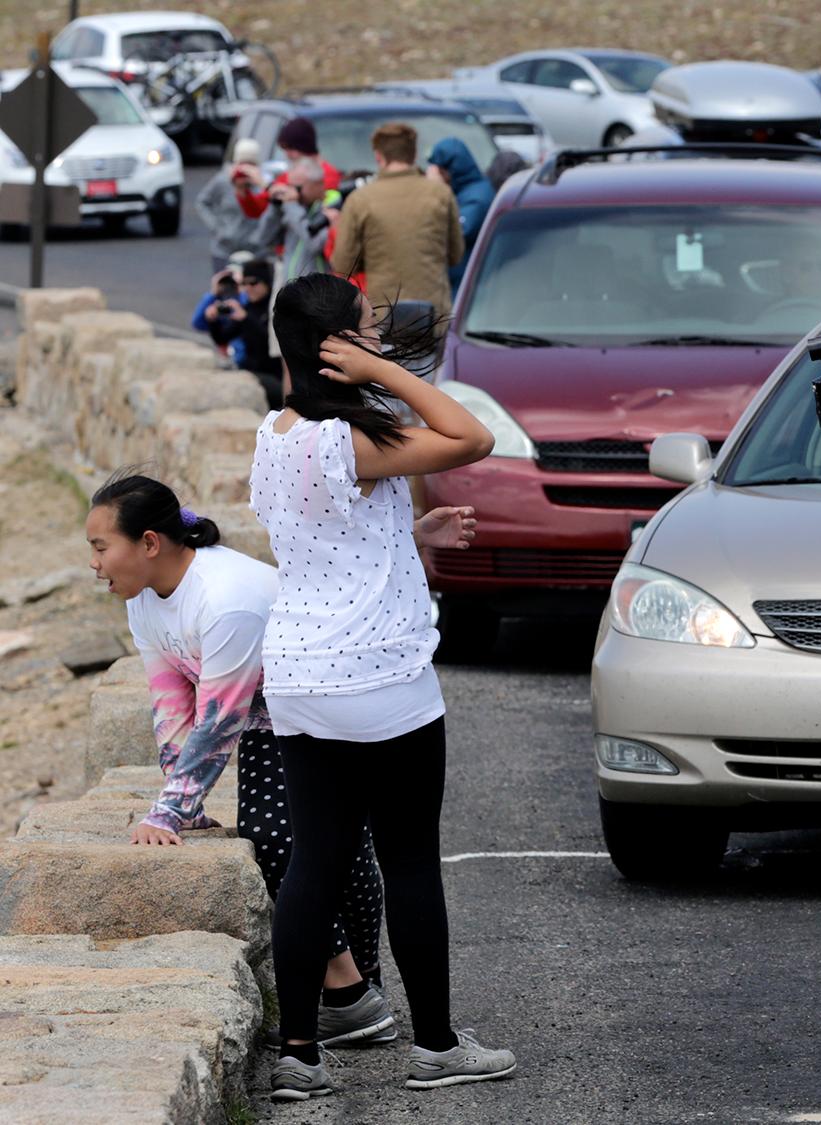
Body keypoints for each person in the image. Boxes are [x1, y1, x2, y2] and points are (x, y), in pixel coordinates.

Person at [254, 271, 511, 1101]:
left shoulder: (274, 435)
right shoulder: (357, 441)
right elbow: (472, 438)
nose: (380, 335)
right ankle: (435, 1046)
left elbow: (330, 536)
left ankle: (299, 1056)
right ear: (336, 348)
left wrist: (414, 528)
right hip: (383, 676)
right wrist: (387, 375)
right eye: (365, 328)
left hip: (298, 678)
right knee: (409, 862)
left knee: (313, 865)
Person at [84, 474, 404, 1053]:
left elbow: (219, 720)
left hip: (333, 696)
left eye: (101, 547)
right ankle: (360, 997)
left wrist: (168, 813)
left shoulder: (224, 598)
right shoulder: (145, 602)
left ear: (149, 543)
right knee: (326, 839)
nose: (94, 563)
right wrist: (186, 806)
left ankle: (349, 995)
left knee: (283, 837)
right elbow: (172, 703)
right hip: (274, 708)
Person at [331, 124, 463, 328]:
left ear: (378, 156)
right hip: (435, 318)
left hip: (384, 316)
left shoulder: (360, 200)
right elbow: (456, 255)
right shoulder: (441, 194)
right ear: (414, 153)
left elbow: (343, 265)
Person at [205, 258, 283, 409]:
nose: (248, 288)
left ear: (266, 283)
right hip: (250, 371)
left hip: (274, 376)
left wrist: (246, 319)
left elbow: (273, 345)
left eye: (253, 283)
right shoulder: (247, 308)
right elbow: (221, 338)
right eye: (244, 283)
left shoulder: (275, 309)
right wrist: (212, 320)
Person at [254, 158, 341, 286]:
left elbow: (315, 244)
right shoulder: (295, 208)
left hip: (318, 291)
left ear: (318, 184)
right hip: (291, 290)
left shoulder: (333, 207)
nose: (293, 192)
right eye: (289, 186)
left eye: (297, 188)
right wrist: (275, 207)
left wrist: (292, 206)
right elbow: (262, 240)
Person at [238, 117, 340, 221]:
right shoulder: (288, 176)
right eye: (284, 149)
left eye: (290, 148)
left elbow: (316, 207)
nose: (287, 155)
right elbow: (258, 210)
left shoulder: (326, 174)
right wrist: (242, 190)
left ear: (303, 146)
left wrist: (266, 184)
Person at [424, 137, 494, 289]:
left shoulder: (478, 198)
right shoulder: (463, 192)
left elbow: (452, 232)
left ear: (449, 170)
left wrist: (436, 191)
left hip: (466, 284)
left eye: (439, 172)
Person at [196, 140, 270, 273]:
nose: (246, 170)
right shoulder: (223, 181)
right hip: (224, 250)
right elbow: (202, 202)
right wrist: (216, 227)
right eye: (243, 164)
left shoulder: (263, 183)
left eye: (251, 164)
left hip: (255, 251)